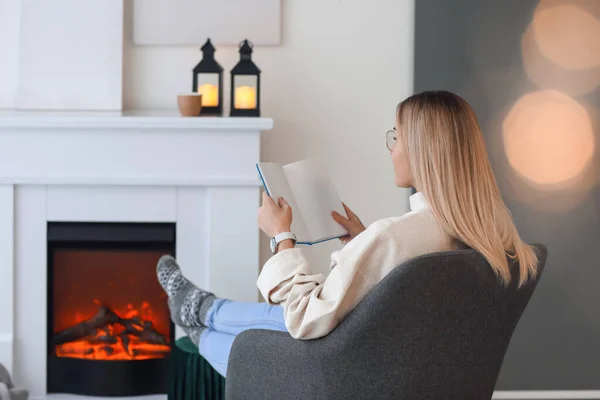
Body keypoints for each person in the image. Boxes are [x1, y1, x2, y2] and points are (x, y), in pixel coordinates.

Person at [156, 90, 539, 377]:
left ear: (424, 150)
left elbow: (305, 318)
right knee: (269, 318)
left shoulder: (392, 237)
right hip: (402, 366)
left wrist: (281, 236)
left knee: (238, 340)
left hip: (344, 375)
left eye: (397, 137)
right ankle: (202, 308)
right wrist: (360, 243)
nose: (391, 149)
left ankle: (198, 320)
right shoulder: (493, 233)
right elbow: (409, 305)